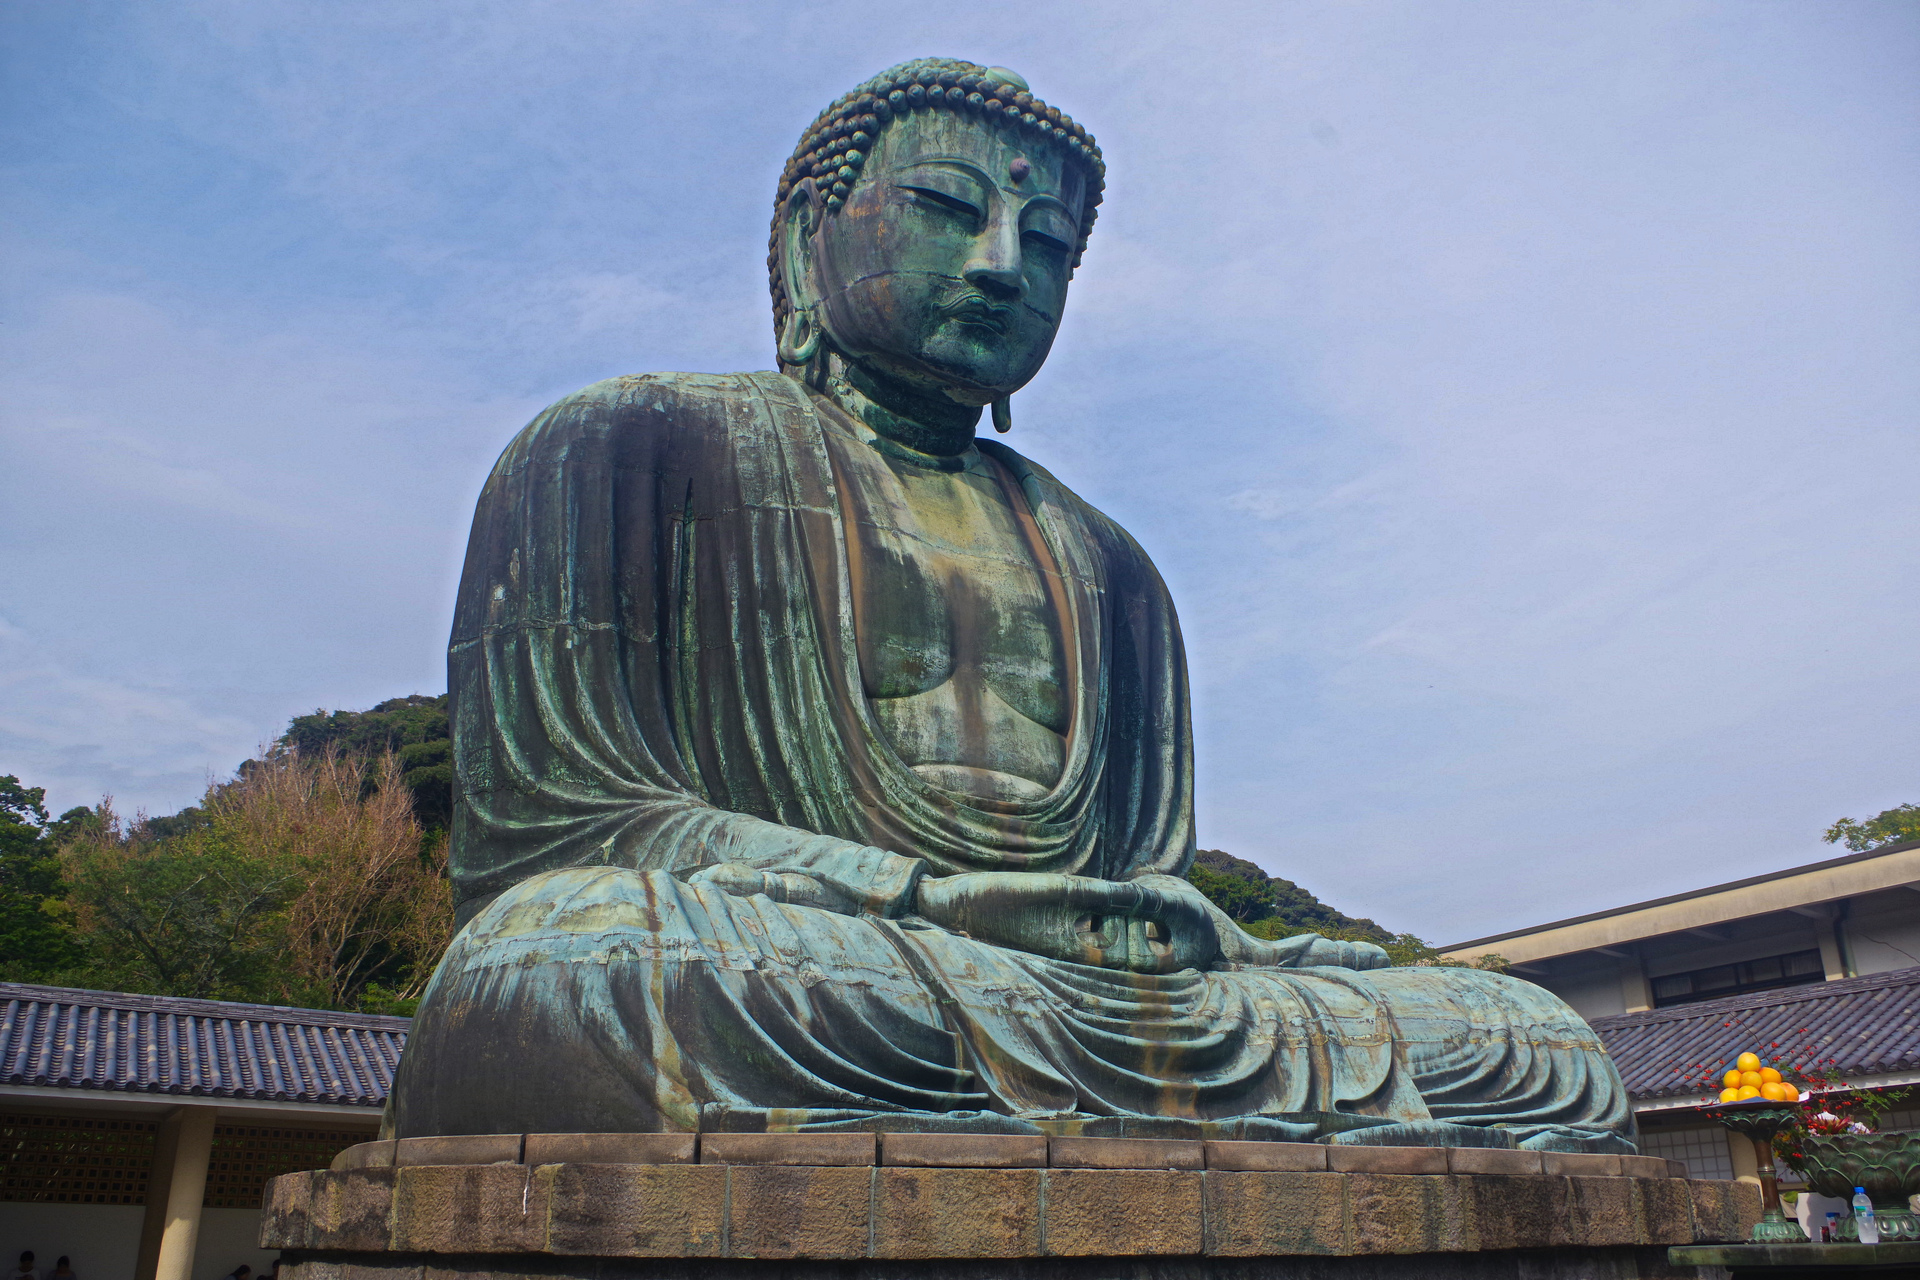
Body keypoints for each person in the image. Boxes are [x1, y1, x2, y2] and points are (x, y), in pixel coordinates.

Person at [387, 57, 1635, 1153]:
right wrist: (919, 898)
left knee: (1526, 1037)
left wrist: (1219, 945)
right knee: (562, 957)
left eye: (1047, 244)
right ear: (801, 241)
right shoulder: (623, 447)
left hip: (1068, 998)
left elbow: (1137, 885)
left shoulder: (1112, 564)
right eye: (947, 208)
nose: (1001, 264)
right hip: (813, 957)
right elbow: (555, 841)